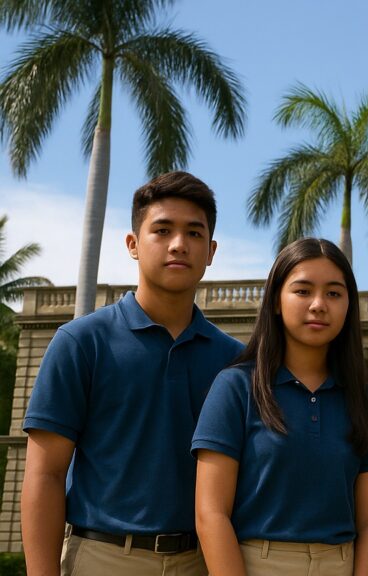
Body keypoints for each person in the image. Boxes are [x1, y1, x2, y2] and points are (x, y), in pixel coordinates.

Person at [21, 171, 244, 576]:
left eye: (195, 234)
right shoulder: (81, 342)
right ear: (133, 244)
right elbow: (46, 474)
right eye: (162, 230)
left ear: (211, 251)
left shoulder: (237, 361)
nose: (179, 244)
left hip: (202, 561)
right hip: (103, 557)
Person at [192, 238, 368, 576]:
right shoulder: (236, 387)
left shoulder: (363, 399)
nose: (318, 304)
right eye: (302, 291)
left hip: (340, 564)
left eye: (333, 293)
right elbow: (210, 513)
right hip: (257, 564)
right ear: (277, 302)